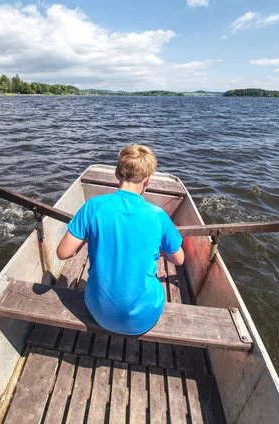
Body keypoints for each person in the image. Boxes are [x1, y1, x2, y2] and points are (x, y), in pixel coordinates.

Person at [56, 144, 184, 336]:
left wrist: (85, 238)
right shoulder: (158, 215)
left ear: (116, 174)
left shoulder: (93, 206)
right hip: (143, 318)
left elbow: (63, 252)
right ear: (147, 180)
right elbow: (179, 259)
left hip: (98, 310)